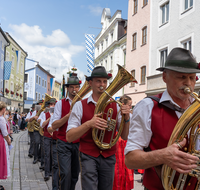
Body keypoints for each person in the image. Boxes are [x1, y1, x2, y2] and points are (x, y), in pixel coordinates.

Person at [125, 47, 200, 190]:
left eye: (192, 78)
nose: (188, 84)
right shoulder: (147, 106)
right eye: (181, 77)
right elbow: (130, 160)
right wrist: (163, 156)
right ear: (165, 77)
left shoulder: (197, 106)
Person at [66, 66, 130, 190]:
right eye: (98, 81)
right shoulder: (80, 105)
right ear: (90, 83)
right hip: (88, 156)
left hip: (109, 156)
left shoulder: (115, 106)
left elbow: (125, 136)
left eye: (105, 81)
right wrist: (89, 124)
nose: (102, 84)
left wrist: (126, 118)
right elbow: (69, 137)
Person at [50, 74, 81, 190]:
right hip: (63, 143)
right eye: (72, 87)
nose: (74, 90)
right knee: (65, 174)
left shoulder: (82, 103)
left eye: (77, 87)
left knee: (74, 175)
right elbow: (54, 125)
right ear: (67, 88)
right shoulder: (60, 104)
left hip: (78, 143)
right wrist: (68, 116)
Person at [113, 95, 134, 190]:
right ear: (123, 104)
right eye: (129, 105)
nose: (130, 107)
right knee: (118, 170)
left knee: (127, 169)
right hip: (120, 143)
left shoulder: (131, 114)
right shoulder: (117, 113)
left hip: (127, 143)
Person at [41, 98, 56, 181]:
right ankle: (47, 173)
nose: (52, 106)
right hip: (47, 136)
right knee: (47, 154)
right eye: (51, 104)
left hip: (55, 137)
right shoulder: (44, 113)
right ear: (49, 105)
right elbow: (42, 125)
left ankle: (51, 171)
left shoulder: (58, 113)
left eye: (54, 105)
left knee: (53, 155)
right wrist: (49, 119)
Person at [47, 103, 59, 190]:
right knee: (56, 165)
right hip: (56, 141)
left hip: (70, 143)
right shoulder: (54, 115)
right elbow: (49, 128)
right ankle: (55, 187)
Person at [0, 101, 11, 179]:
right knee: (2, 160)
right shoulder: (1, 119)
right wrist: (8, 140)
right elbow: (5, 133)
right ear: (3, 109)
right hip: (1, 140)